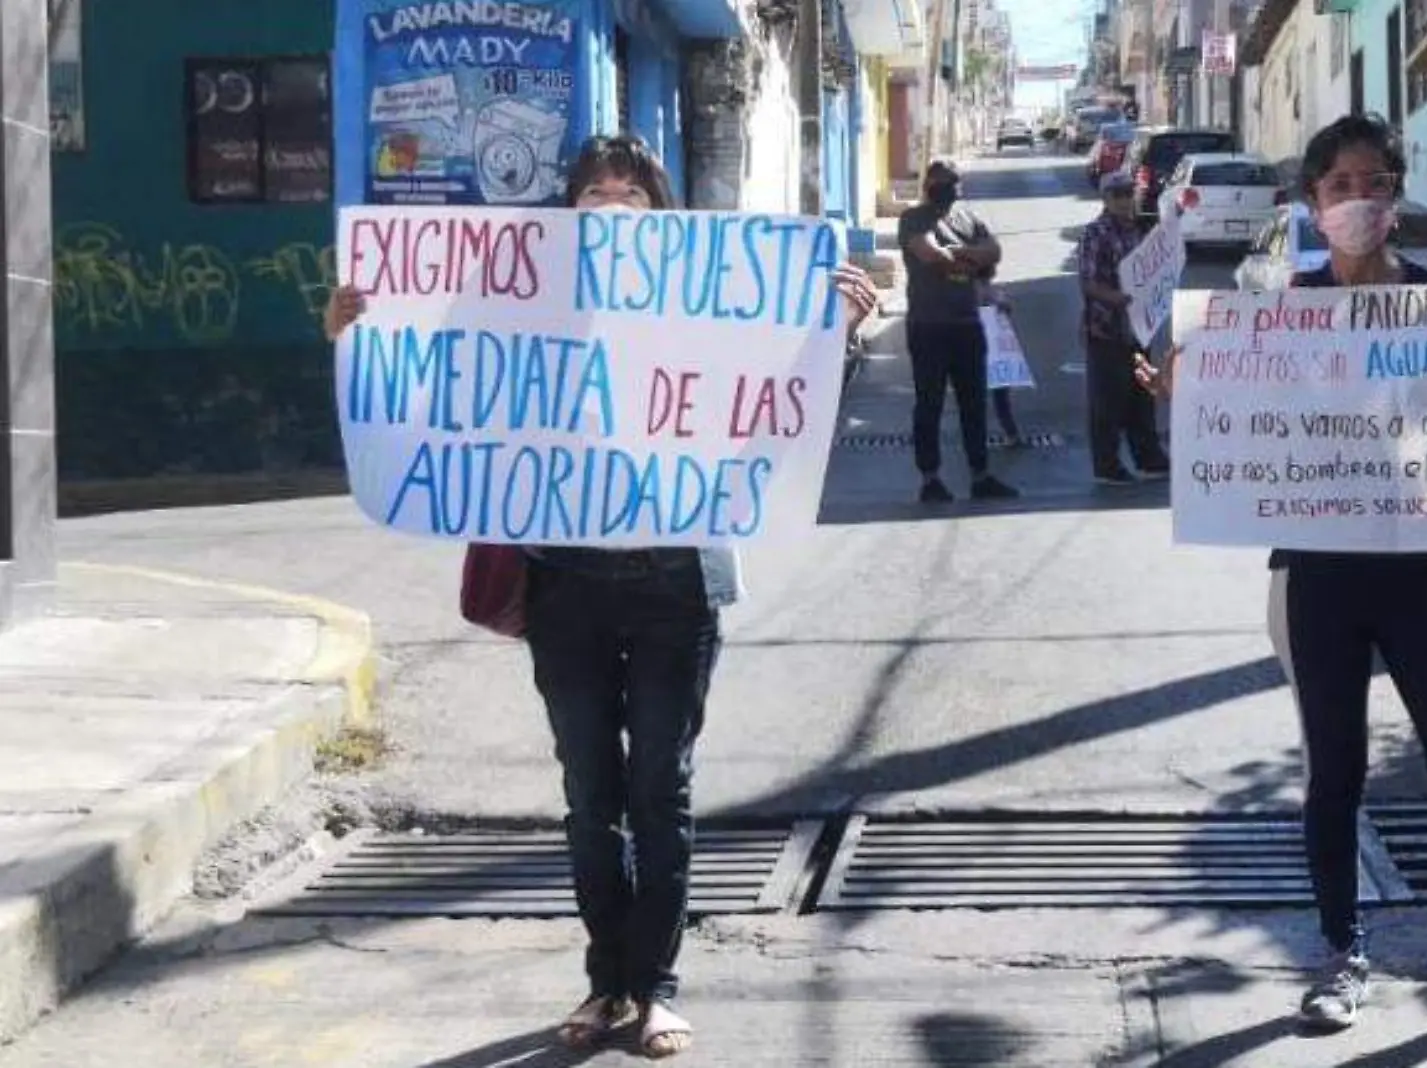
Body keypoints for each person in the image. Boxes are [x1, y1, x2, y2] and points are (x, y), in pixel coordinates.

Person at [323, 135, 879, 1058]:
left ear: (662, 215)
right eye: (594, 192)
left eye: (630, 192)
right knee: (591, 796)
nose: (612, 206)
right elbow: (429, 382)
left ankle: (655, 988)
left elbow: (788, 395)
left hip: (674, 586)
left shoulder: (704, 305)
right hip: (565, 586)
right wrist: (354, 333)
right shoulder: (522, 304)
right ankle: (603, 982)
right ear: (568, 208)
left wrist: (837, 329)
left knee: (661, 791)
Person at [1138, 114, 1427, 1044]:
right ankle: (1340, 957)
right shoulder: (1276, 316)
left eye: (1375, 182)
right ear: (1311, 202)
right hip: (1319, 580)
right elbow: (1220, 410)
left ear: (1395, 195)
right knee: (1333, 773)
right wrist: (1183, 387)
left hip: (1424, 570)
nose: (1358, 201)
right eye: (1339, 186)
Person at [898, 159, 1020, 503]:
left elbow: (993, 250)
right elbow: (929, 255)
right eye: (939, 182)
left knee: (974, 403)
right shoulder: (913, 219)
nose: (946, 188)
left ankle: (981, 476)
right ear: (928, 185)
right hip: (928, 325)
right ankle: (930, 478)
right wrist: (970, 260)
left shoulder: (967, 218)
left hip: (967, 323)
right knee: (929, 404)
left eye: (952, 182)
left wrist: (961, 253)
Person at [1075, 170, 1168, 484]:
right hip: (1106, 329)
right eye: (1117, 194)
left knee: (1142, 395)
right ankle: (1107, 465)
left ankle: (1149, 459)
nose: (1125, 200)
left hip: (1139, 328)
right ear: (1105, 198)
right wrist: (1120, 299)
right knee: (1107, 402)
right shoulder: (1095, 233)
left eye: (1128, 193)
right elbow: (1088, 284)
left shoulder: (1140, 230)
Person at [976, 275, 1026, 447]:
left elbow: (1005, 306)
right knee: (993, 393)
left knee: (992, 392)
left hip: (988, 348)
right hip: (982, 347)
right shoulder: (985, 288)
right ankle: (1010, 432)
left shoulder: (983, 288)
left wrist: (999, 303)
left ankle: (1009, 432)